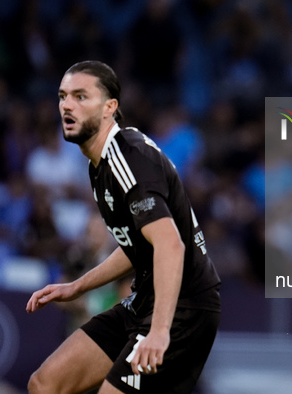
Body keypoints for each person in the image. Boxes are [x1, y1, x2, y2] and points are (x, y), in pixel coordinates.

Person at [26, 60, 221, 394]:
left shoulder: (128, 158)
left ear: (109, 107)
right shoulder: (99, 166)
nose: (66, 105)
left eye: (80, 96)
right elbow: (137, 246)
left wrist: (160, 331)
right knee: (45, 384)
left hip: (182, 310)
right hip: (143, 301)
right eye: (62, 96)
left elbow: (171, 245)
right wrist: (79, 286)